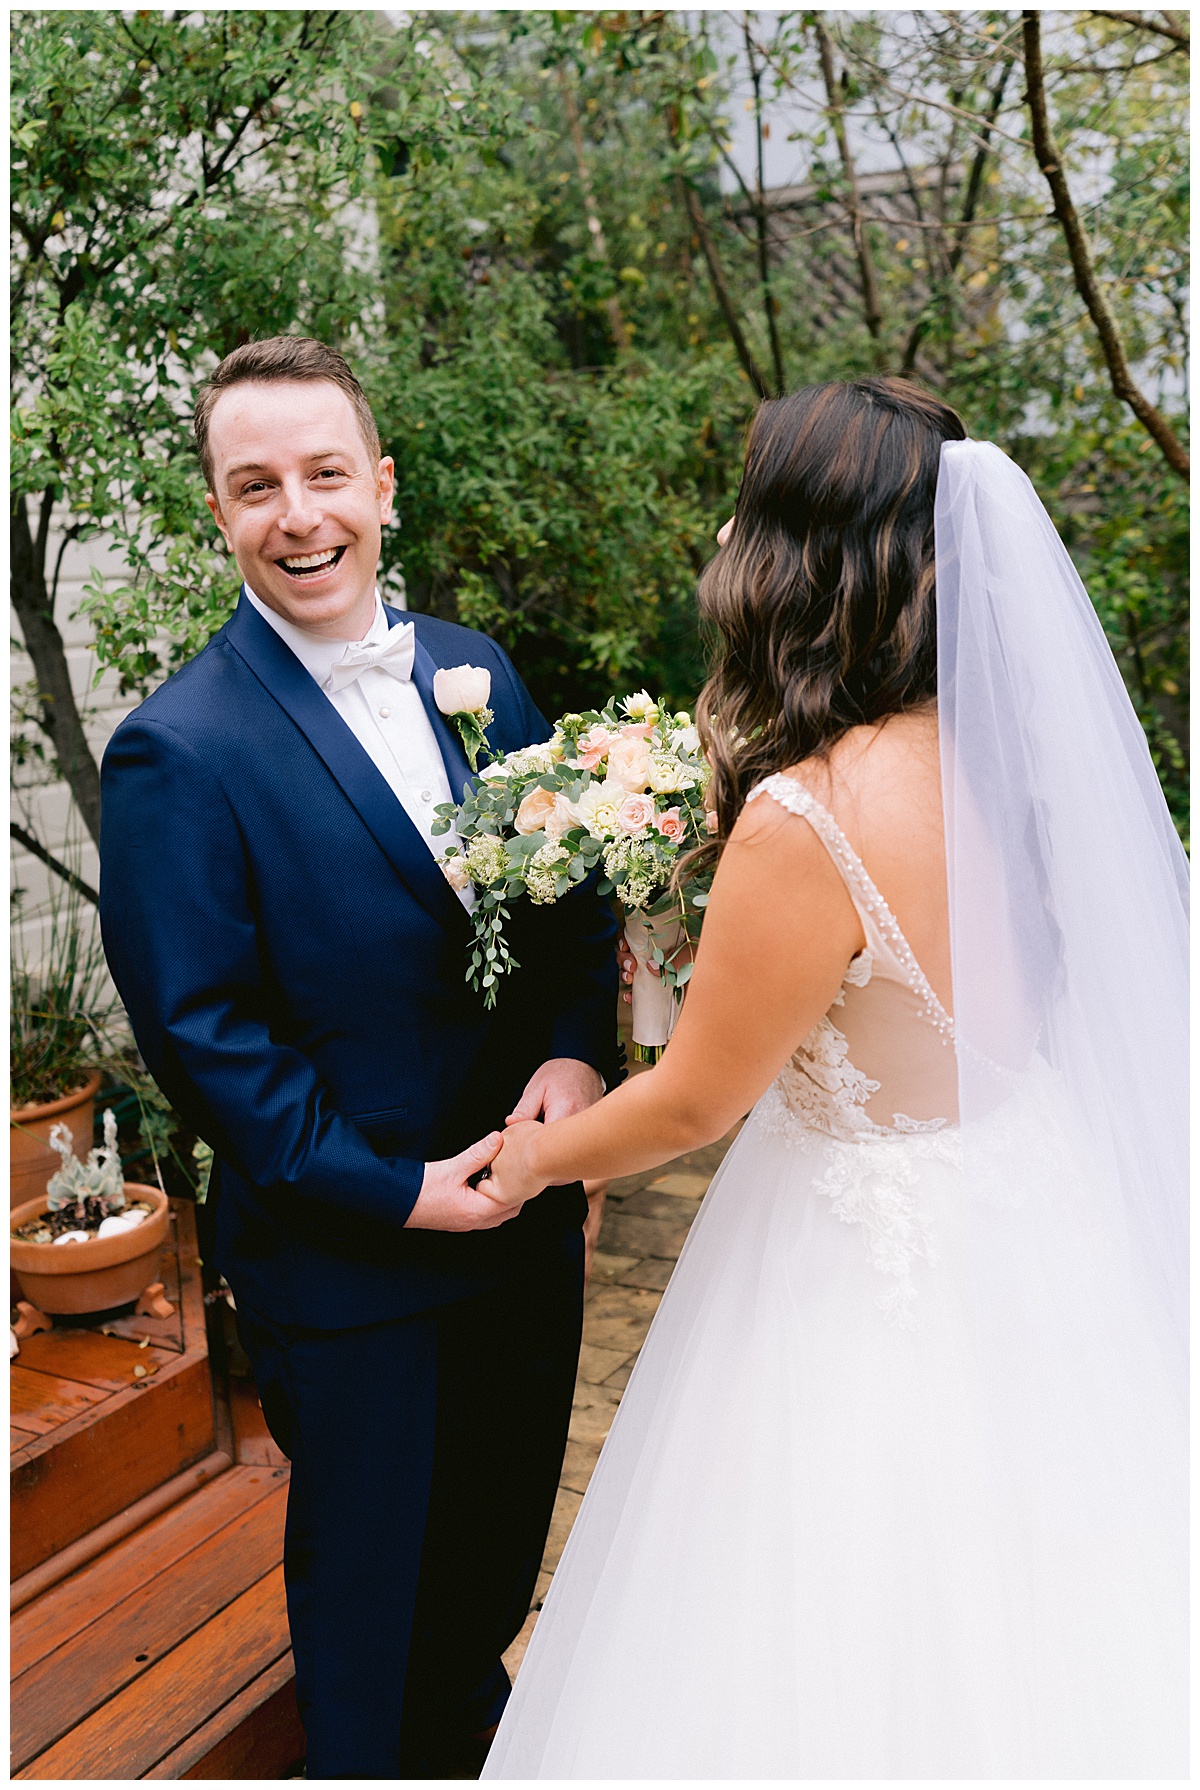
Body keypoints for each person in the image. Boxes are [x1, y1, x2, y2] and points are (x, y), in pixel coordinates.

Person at [477, 378, 1189, 1778]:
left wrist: (529, 1159)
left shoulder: (808, 816)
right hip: (1031, 1210)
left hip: (862, 1268)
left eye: (752, 505)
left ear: (798, 554)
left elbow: (693, 1098)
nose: (730, 530)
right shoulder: (1015, 755)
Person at [98, 336, 619, 1778]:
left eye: (326, 472)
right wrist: (397, 1192)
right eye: (255, 485)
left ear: (382, 484)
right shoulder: (176, 752)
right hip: (356, 1261)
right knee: (373, 1616)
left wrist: (576, 1072)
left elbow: (571, 916)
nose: (299, 513)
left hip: (525, 1227)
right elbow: (208, 1044)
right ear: (220, 512)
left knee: (492, 1574)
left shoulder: (477, 670)